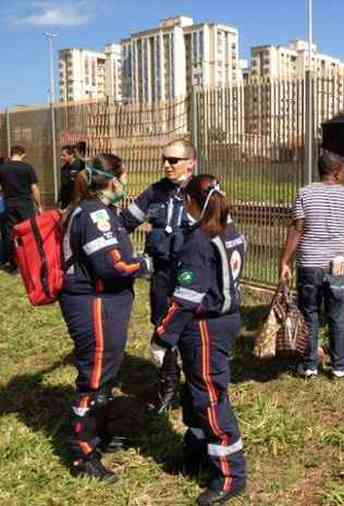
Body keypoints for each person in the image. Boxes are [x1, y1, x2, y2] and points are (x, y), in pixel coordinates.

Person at [150, 175, 247, 505]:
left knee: (209, 396)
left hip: (205, 325)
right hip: (225, 319)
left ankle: (230, 475)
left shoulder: (199, 240)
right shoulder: (229, 230)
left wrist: (162, 336)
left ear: (191, 202)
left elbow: (187, 298)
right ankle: (197, 452)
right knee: (194, 394)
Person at [59, 154, 152, 482]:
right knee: (94, 378)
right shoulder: (94, 213)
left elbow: (118, 234)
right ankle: (82, 451)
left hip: (103, 303)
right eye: (124, 178)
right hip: (93, 303)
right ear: (113, 180)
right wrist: (145, 265)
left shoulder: (100, 210)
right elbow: (110, 265)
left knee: (105, 375)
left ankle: (99, 431)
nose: (125, 184)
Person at [279, 151, 344, 378]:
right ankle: (340, 368)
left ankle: (310, 365)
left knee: (310, 314)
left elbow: (297, 229)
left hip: (309, 265)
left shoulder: (304, 193)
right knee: (337, 316)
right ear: (336, 171)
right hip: (337, 266)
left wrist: (285, 261)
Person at [120, 138, 196, 413]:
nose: (166, 165)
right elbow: (125, 223)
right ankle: (168, 384)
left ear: (191, 163)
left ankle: (195, 386)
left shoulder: (204, 192)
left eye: (173, 160)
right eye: (164, 159)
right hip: (162, 274)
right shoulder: (154, 192)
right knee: (162, 324)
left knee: (191, 325)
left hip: (191, 275)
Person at [0, 145, 41, 271]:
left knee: (9, 233)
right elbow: (34, 188)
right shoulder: (27, 168)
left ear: (11, 153)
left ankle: (12, 263)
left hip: (9, 204)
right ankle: (29, 261)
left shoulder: (3, 168)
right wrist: (39, 205)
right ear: (22, 154)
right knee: (28, 232)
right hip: (25, 204)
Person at [58, 144, 85, 209]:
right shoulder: (64, 168)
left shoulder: (80, 166)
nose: (61, 158)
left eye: (64, 155)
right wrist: (60, 199)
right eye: (61, 155)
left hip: (76, 202)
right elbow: (63, 185)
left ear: (71, 155)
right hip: (66, 202)